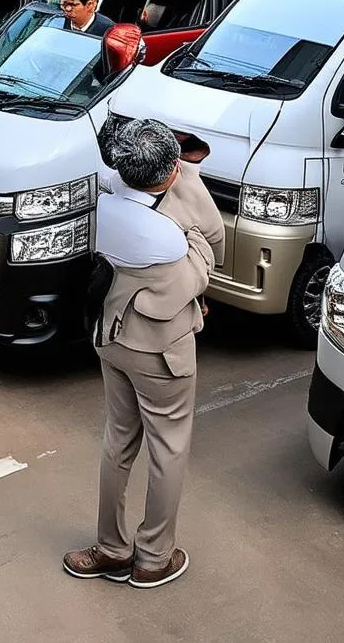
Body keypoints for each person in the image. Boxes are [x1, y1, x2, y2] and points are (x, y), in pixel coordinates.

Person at [64, 119, 224, 589]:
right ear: (171, 169)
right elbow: (206, 256)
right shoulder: (171, 236)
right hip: (162, 352)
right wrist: (187, 178)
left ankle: (110, 549)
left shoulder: (106, 199)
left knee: (118, 441)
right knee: (168, 448)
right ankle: (153, 556)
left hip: (111, 337)